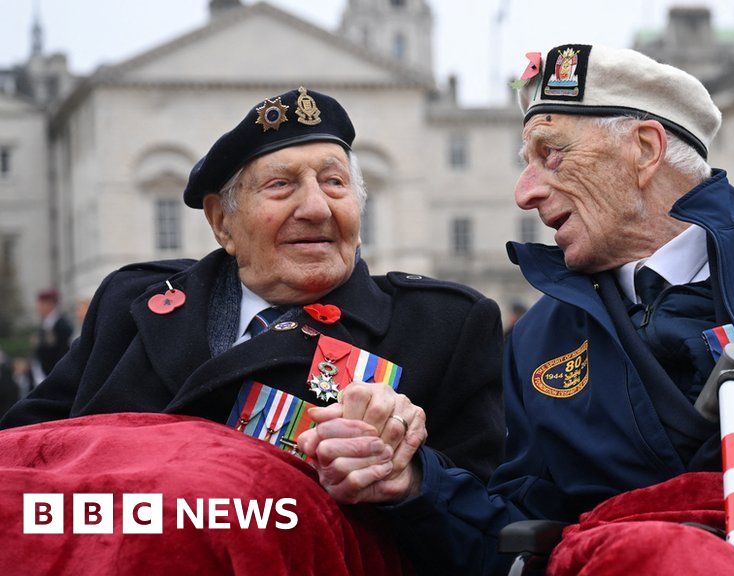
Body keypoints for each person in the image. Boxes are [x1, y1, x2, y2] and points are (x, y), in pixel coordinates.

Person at [298, 45, 734, 575]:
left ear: (644, 149)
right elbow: (514, 536)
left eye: (549, 155)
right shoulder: (538, 337)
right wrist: (416, 482)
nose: (524, 191)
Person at [0, 87, 504, 490]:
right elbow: (21, 451)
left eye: (334, 183)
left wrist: (411, 480)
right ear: (223, 223)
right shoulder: (129, 305)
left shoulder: (443, 328)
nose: (316, 208)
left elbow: (482, 525)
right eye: (281, 186)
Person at [30, 289, 73, 387]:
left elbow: (62, 352)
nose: (37, 307)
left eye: (40, 304)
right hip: (43, 374)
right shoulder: (45, 324)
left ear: (49, 304)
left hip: (55, 376)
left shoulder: (62, 325)